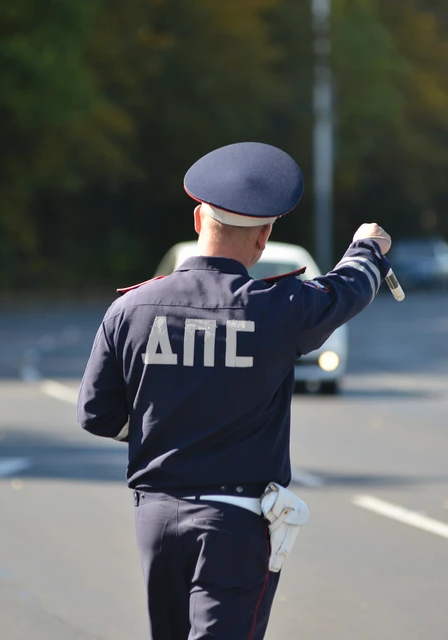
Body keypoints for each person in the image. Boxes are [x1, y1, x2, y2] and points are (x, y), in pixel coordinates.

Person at [77, 141, 392, 640]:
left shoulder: (131, 308)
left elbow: (96, 413)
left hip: (156, 514)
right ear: (264, 236)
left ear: (199, 219)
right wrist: (367, 248)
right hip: (235, 521)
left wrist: (170, 430)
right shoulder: (276, 308)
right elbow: (345, 291)